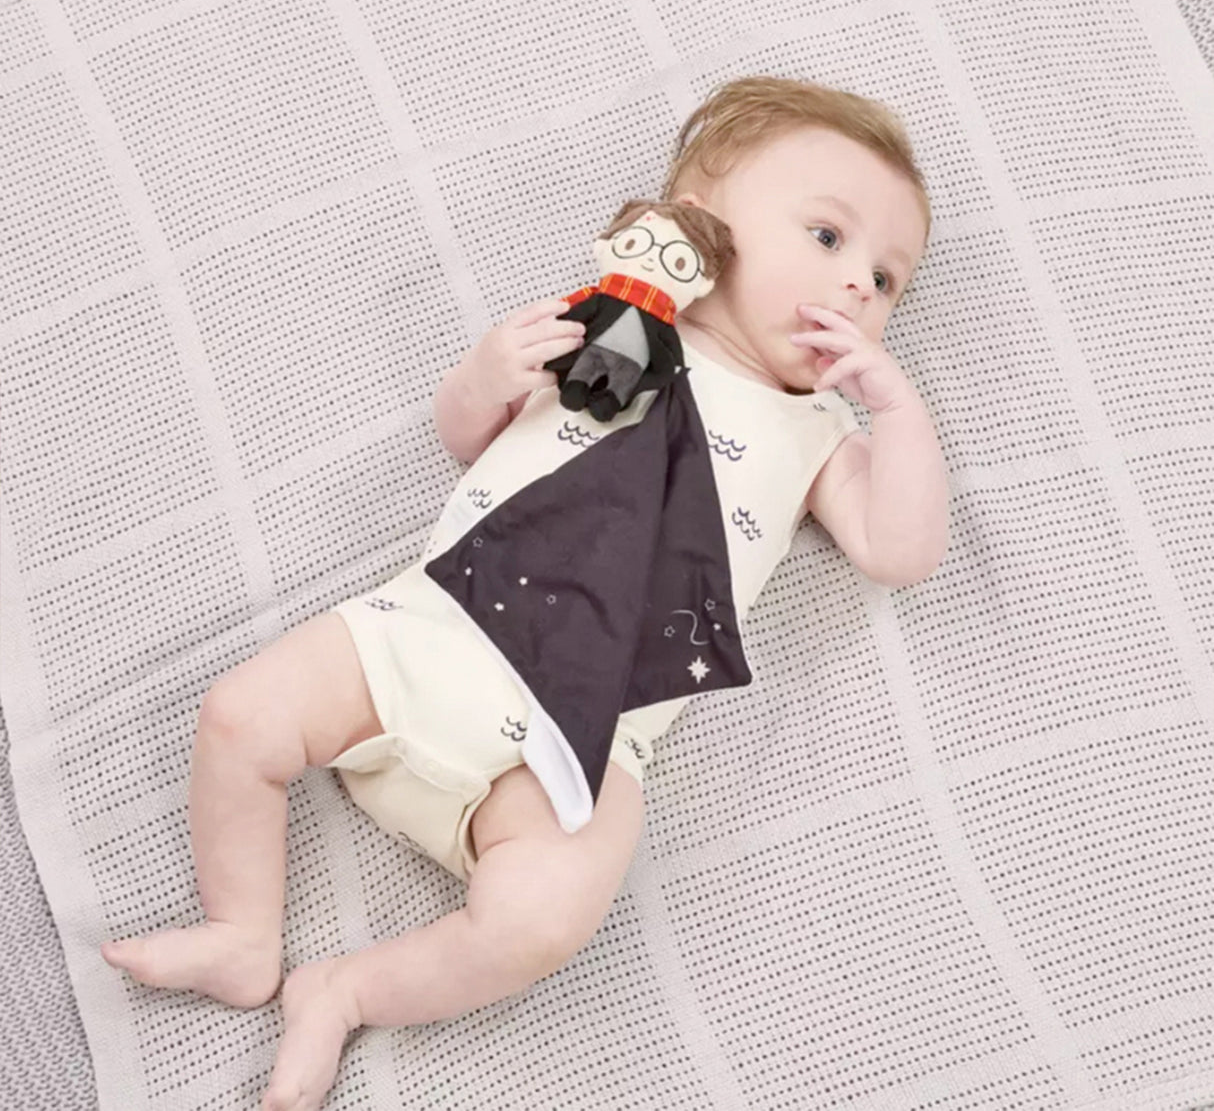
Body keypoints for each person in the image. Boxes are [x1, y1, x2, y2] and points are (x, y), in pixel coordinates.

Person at [100, 75, 949, 1111]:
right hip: (426, 633)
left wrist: (894, 409)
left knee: (546, 914)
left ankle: (347, 988)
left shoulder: (816, 433)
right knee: (239, 713)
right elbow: (467, 439)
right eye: (827, 237)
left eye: (886, 277)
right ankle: (243, 931)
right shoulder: (608, 330)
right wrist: (487, 372)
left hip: (575, 739)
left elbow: (896, 547)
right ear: (697, 221)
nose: (859, 285)